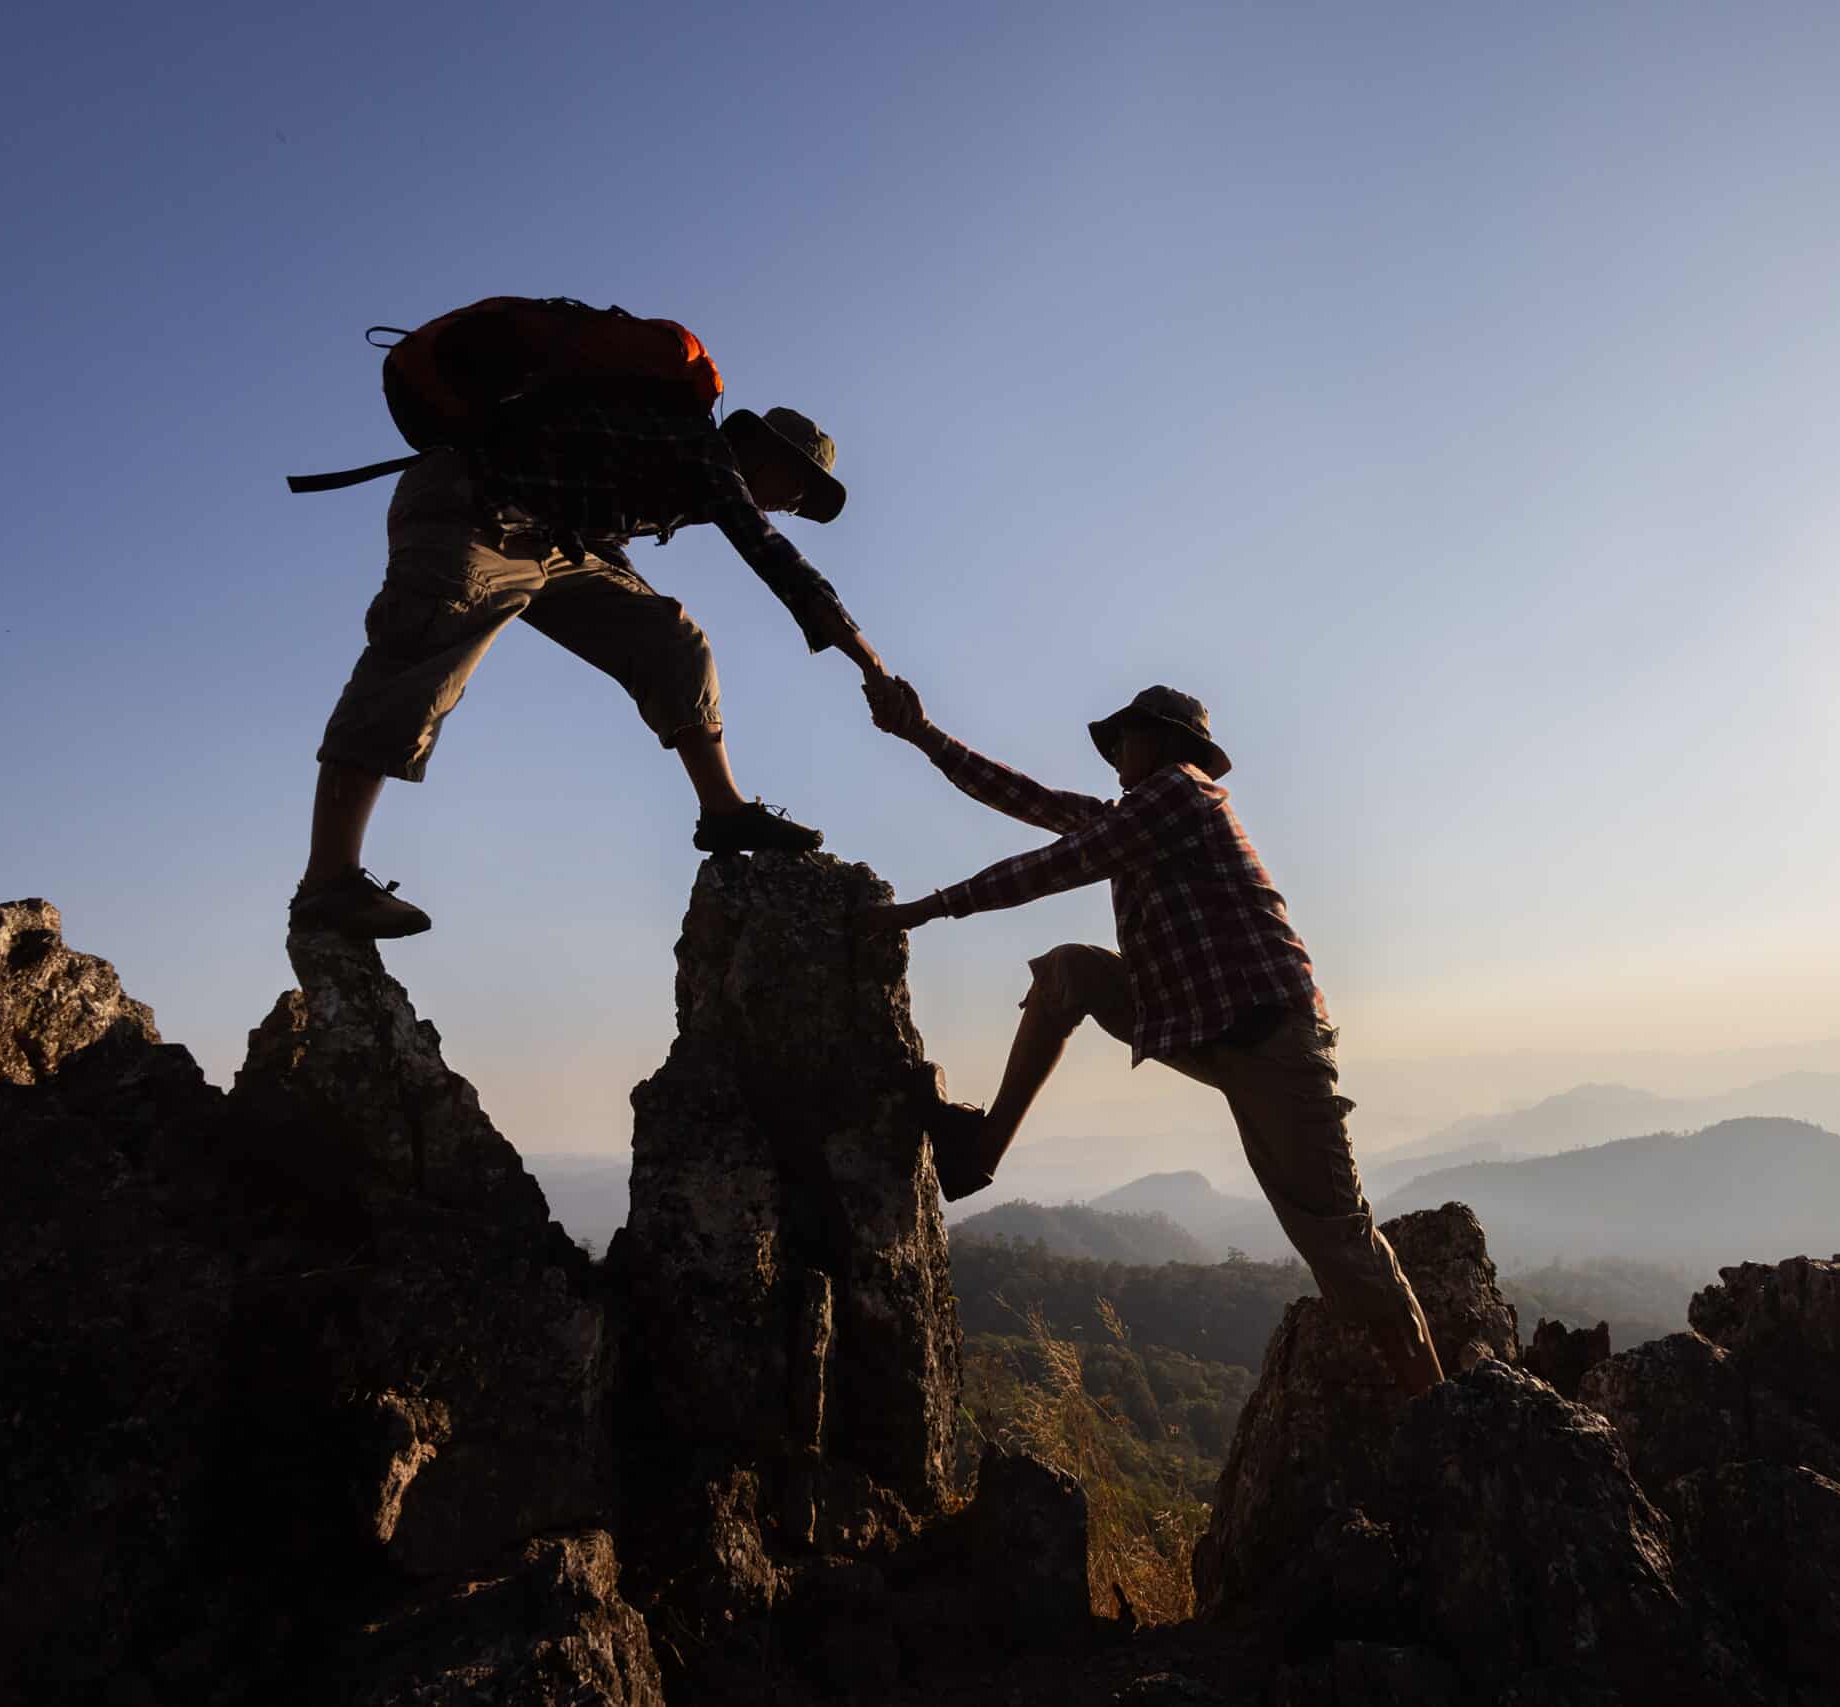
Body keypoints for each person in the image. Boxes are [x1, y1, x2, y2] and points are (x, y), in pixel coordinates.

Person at [856, 677, 1445, 1397]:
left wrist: (924, 910)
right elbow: (1030, 800)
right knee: (1069, 973)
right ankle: (979, 1154)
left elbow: (1053, 866)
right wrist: (923, 735)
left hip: (1273, 1044)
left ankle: (1440, 1407)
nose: (1114, 756)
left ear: (1165, 742)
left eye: (1125, 739)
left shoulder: (1181, 794)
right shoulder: (1144, 811)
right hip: (1199, 1023)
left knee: (1339, 1239)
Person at [290, 401, 887, 938]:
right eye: (799, 486)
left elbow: (599, 518)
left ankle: (724, 813)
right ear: (763, 453)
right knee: (423, 656)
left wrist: (637, 599)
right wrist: (871, 666)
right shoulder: (704, 452)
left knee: (672, 639)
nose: (794, 504)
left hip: (555, 538)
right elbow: (773, 555)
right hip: (471, 505)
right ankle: (329, 880)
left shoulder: (675, 472)